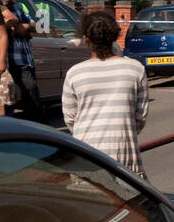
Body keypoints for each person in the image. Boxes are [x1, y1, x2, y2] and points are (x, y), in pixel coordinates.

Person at [61, 12, 151, 178]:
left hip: (86, 154)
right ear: (115, 36)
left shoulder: (74, 73)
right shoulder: (135, 69)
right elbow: (140, 117)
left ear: (86, 38)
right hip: (124, 154)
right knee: (128, 202)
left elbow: (71, 118)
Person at [0, 0, 45, 122]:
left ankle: (36, 125)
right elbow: (13, 30)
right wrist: (21, 28)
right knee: (17, 95)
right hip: (10, 60)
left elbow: (35, 26)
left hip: (24, 58)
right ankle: (39, 124)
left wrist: (24, 27)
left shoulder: (18, 7)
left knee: (29, 92)